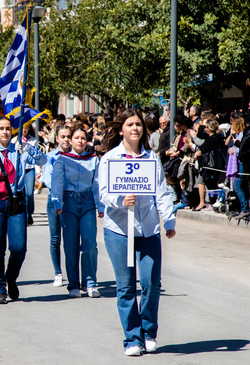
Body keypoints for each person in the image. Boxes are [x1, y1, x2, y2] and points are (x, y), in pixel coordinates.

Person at [99, 109, 176, 356]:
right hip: (119, 231)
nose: (135, 128)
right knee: (126, 287)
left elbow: (161, 192)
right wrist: (122, 200)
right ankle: (132, 338)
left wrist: (169, 220)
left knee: (152, 283)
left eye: (138, 125)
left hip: (149, 229)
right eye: (130, 124)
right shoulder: (110, 159)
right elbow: (103, 194)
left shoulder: (151, 159)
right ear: (121, 128)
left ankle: (148, 331)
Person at [0, 118, 46, 304]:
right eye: (1, 129)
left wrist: (29, 148)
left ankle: (10, 277)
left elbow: (43, 160)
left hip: (16, 202)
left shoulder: (19, 150)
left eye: (8, 129)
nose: (4, 132)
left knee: (19, 248)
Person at [51, 128, 104, 298]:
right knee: (71, 246)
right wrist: (57, 203)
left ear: (87, 141)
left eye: (83, 138)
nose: (80, 141)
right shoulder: (63, 159)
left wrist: (100, 205)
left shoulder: (93, 159)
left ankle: (89, 283)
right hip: (69, 203)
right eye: (76, 138)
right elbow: (57, 182)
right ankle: (73, 285)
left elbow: (97, 183)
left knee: (89, 244)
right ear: (71, 141)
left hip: (87, 201)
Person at [42, 125, 71, 287]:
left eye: (68, 136)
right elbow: (47, 178)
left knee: (71, 239)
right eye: (63, 136)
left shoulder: (76, 156)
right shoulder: (51, 156)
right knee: (55, 238)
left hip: (72, 199)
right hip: (54, 199)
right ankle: (58, 273)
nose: (66, 139)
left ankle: (73, 275)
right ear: (57, 138)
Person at [14, 124, 38, 225]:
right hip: (19, 168)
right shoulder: (15, 140)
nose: (24, 130)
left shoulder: (33, 141)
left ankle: (30, 212)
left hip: (30, 169)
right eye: (22, 128)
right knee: (21, 193)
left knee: (29, 194)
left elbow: (36, 156)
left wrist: (38, 172)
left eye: (26, 128)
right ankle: (26, 216)